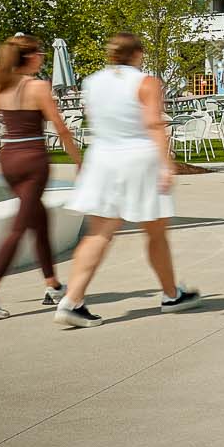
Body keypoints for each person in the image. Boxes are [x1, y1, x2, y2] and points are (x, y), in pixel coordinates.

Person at [54, 32, 198, 327]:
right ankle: (171, 295)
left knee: (98, 233)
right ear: (138, 54)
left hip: (103, 159)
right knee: (155, 232)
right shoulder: (147, 83)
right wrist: (165, 164)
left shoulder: (91, 83)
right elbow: (154, 124)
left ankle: (72, 299)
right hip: (138, 159)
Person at [0, 34, 80, 319]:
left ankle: (53, 285)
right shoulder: (39, 87)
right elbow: (61, 128)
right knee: (19, 227)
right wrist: (79, 162)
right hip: (33, 160)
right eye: (39, 53)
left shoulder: (0, 87)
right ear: (28, 57)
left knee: (38, 220)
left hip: (8, 159)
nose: (42, 57)